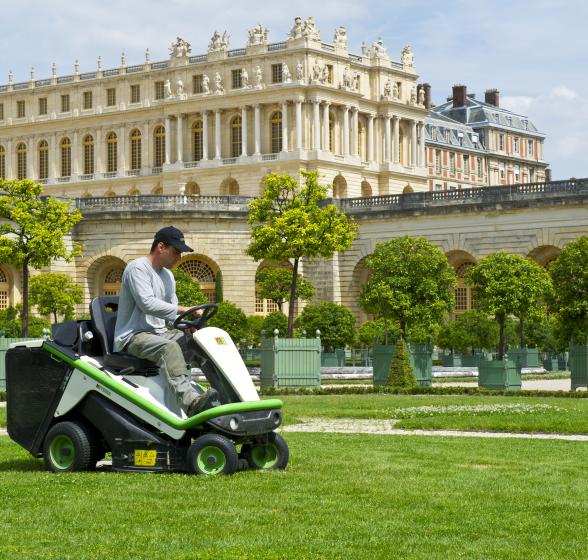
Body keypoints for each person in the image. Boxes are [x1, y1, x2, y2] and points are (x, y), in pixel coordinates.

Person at [114, 226, 218, 417]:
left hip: (159, 333)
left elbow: (171, 312)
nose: (179, 258)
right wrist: (184, 310)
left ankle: (226, 396)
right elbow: (148, 304)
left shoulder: (168, 275)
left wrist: (187, 326)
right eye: (176, 252)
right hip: (134, 336)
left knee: (200, 343)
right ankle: (191, 403)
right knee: (169, 348)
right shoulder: (137, 268)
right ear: (161, 247)